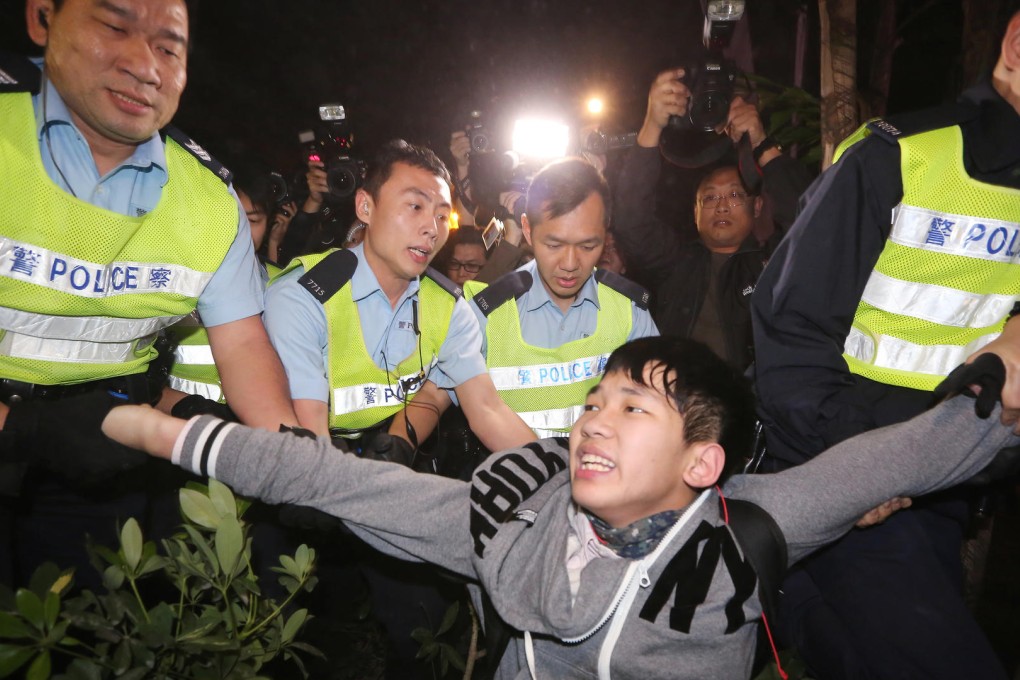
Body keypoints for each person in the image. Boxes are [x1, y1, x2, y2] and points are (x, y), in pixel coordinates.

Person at [101, 337, 1020, 680]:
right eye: (592, 403)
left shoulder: (750, 532)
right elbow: (337, 481)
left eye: (632, 408)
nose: (592, 423)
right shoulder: (511, 517)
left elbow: (896, 455)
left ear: (704, 461)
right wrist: (164, 434)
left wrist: (996, 385)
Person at [749, 9, 1020, 679]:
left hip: (950, 493)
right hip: (842, 477)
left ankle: (790, 602)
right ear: (1017, 44)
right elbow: (790, 337)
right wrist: (871, 473)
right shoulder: (899, 153)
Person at [0, 0, 297, 588]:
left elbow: (242, 345)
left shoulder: (212, 202)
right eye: (114, 26)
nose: (145, 66)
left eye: (169, 47)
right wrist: (19, 427)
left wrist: (297, 467)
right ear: (42, 19)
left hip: (102, 464)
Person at [613, 70, 812, 370]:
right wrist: (652, 125)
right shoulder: (676, 263)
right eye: (709, 198)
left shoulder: (771, 265)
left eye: (734, 196)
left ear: (756, 206)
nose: (721, 206)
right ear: (694, 213)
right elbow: (631, 217)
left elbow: (810, 222)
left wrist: (761, 141)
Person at [462, 158, 659, 438]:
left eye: (588, 245)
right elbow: (436, 398)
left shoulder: (630, 311)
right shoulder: (486, 312)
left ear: (606, 232)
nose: (570, 263)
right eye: (554, 245)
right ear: (527, 230)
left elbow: (654, 409)